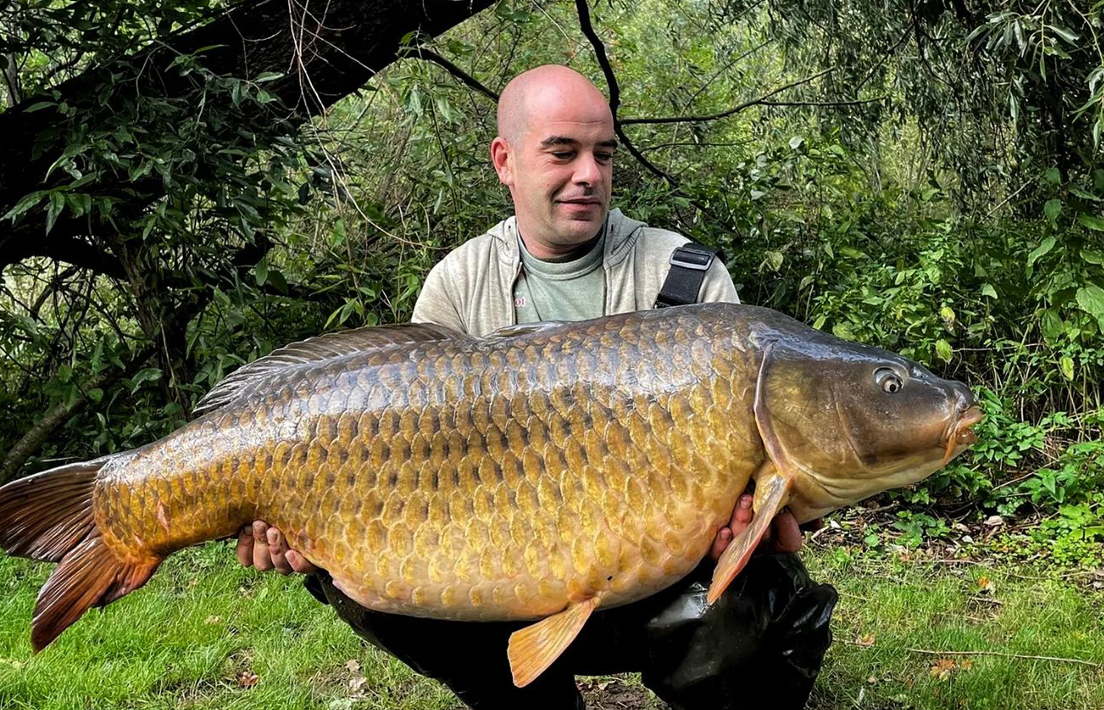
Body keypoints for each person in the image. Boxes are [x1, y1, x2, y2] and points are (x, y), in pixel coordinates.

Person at [235, 65, 837, 709]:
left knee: (764, 599)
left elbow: (778, 474)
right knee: (359, 572)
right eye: (563, 152)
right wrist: (303, 523)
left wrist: (763, 516)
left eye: (603, 155)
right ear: (506, 161)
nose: (589, 174)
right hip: (498, 578)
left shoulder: (688, 282)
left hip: (660, 585)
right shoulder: (458, 288)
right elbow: (406, 460)